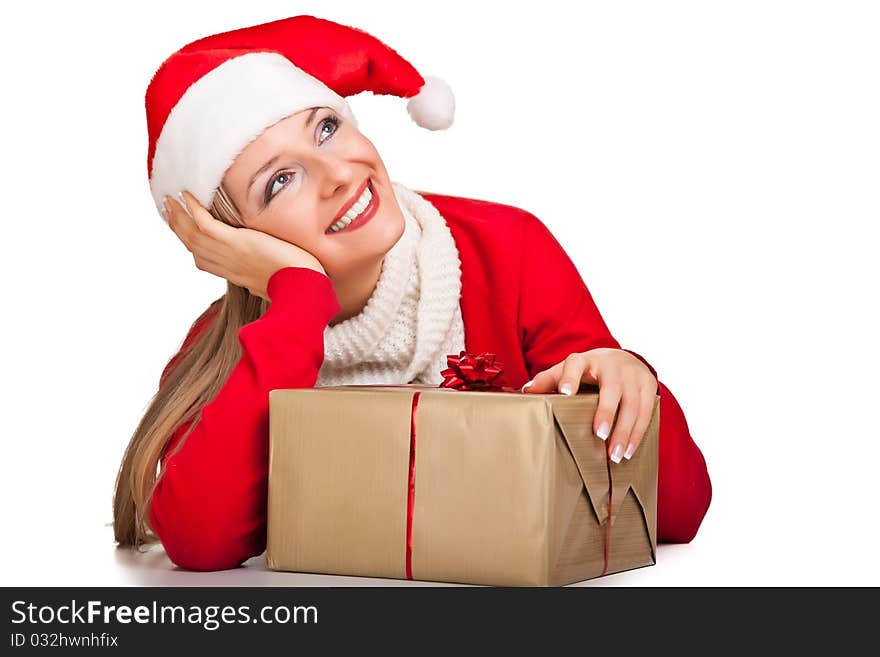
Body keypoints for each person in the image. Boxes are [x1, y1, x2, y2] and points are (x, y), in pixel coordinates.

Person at [113, 15, 712, 572]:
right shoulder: (234, 351)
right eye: (279, 182)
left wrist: (625, 382)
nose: (339, 174)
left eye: (326, 128)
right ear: (233, 240)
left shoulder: (507, 250)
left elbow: (677, 510)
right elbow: (198, 542)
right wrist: (298, 299)